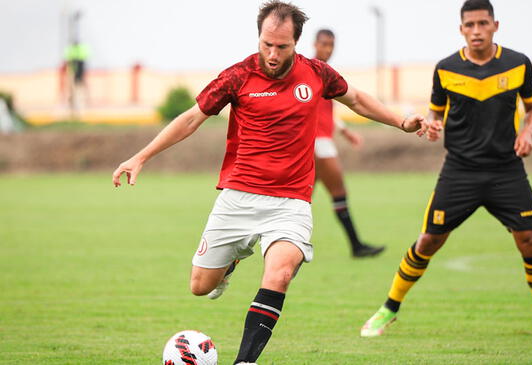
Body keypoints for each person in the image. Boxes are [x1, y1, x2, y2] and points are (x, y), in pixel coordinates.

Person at [112, 1, 427, 364]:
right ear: (258, 37)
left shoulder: (317, 74)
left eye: (282, 46)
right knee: (200, 287)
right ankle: (229, 264)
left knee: (280, 273)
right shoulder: (237, 76)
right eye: (266, 44)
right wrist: (141, 156)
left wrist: (401, 121)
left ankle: (245, 361)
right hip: (238, 198)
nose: (272, 54)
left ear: (296, 43)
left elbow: (357, 99)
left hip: (290, 202)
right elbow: (190, 119)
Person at [360, 0, 532, 338]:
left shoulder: (518, 64)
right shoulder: (445, 69)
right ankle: (388, 309)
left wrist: (528, 132)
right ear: (461, 29)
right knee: (428, 240)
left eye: (482, 24)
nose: (476, 31)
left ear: (495, 26)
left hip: (506, 169)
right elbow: (436, 114)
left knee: (529, 239)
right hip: (459, 170)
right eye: (469, 25)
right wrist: (431, 126)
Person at [312, 29, 385, 258]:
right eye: (324, 44)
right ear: (315, 44)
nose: (328, 49)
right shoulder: (312, 71)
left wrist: (345, 131)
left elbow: (325, 111)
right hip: (318, 143)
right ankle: (356, 246)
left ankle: (271, 243)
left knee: (297, 198)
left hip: (317, 142)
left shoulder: (324, 72)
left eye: (331, 44)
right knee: (339, 192)